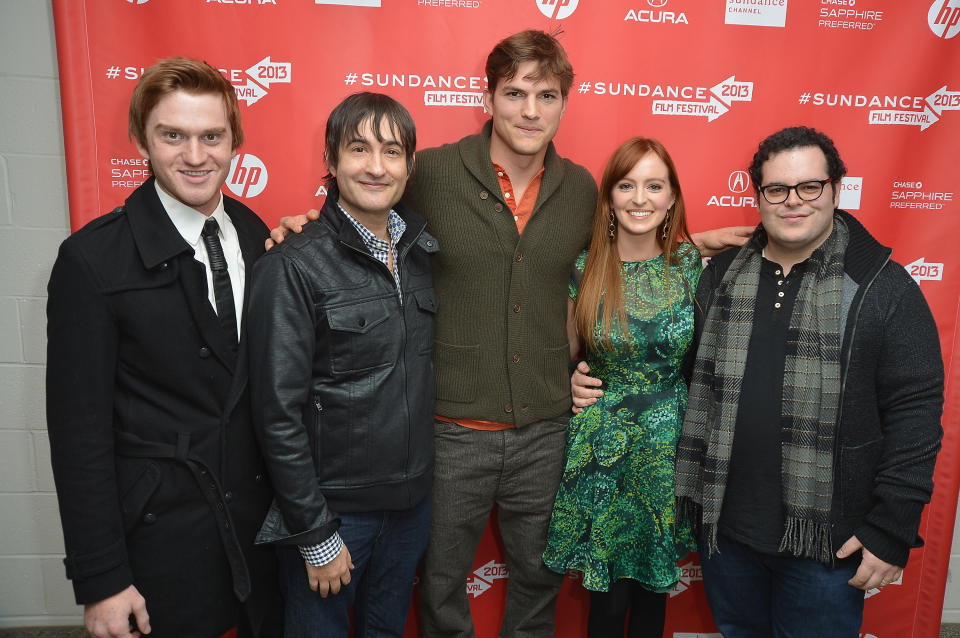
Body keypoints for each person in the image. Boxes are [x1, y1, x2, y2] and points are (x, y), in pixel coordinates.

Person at [269, 31, 751, 637]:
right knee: (440, 585)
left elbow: (627, 247)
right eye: (515, 92)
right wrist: (308, 221)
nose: (530, 110)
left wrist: (694, 243)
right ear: (489, 97)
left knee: (537, 585)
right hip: (449, 430)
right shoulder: (433, 170)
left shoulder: (580, 190)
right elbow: (368, 198)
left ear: (563, 104)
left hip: (549, 430)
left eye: (546, 95)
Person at [576, 126, 944, 637]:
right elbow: (668, 362)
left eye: (809, 187)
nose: (793, 201)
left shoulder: (882, 286)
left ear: (836, 188)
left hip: (825, 543)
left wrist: (891, 528)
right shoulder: (719, 275)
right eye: (776, 189)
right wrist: (588, 373)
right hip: (727, 532)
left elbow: (917, 410)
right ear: (759, 196)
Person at [46, 57, 281, 638]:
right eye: (172, 135)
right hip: (159, 542)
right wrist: (101, 580)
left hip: (258, 530)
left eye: (211, 137)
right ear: (141, 141)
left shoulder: (257, 235)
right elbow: (80, 439)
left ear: (236, 142)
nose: (195, 156)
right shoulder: (91, 261)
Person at [245, 92, 437, 638]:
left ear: (410, 166)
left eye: (392, 152)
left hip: (409, 510)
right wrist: (316, 534)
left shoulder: (420, 253)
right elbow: (275, 415)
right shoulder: (292, 265)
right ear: (331, 161)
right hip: (334, 518)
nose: (377, 166)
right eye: (359, 149)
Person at [543, 137, 699, 638]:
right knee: (607, 607)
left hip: (668, 449)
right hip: (603, 451)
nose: (639, 198)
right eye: (626, 185)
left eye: (654, 186)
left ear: (672, 197)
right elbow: (557, 355)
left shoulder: (693, 267)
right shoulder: (584, 268)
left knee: (654, 601)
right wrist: (565, 383)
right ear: (609, 197)